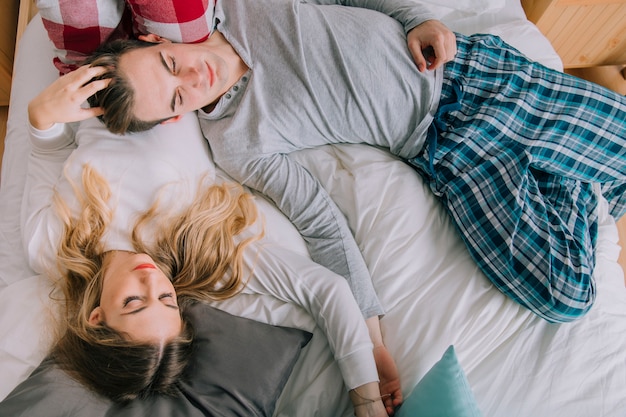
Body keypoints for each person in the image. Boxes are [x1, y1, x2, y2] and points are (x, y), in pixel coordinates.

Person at [82, 0, 626, 325]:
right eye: (177, 99)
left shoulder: (245, 7)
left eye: (171, 64)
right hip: (451, 149)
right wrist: (369, 330)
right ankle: (578, 178)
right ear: (175, 119)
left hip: (478, 78)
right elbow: (321, 221)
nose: (193, 81)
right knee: (565, 296)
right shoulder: (236, 140)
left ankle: (579, 172)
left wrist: (415, 18)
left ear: (155, 39)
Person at [24, 65, 391, 417]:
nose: (151, 279)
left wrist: (41, 118)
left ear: (96, 317)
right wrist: (366, 399)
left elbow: (50, 151)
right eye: (167, 299)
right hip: (186, 62)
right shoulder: (197, 250)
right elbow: (325, 289)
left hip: (100, 68)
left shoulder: (48, 248)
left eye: (134, 301)